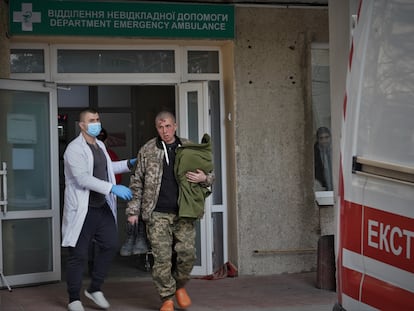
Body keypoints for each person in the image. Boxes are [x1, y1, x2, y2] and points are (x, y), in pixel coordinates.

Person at [127, 111, 214, 311]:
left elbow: (210, 173)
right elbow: (136, 182)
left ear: (175, 126)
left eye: (167, 126)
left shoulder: (189, 147)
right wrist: (133, 211)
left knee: (187, 254)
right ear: (156, 128)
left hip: (184, 212)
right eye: (160, 127)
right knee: (161, 258)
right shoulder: (148, 150)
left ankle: (180, 286)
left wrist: (205, 179)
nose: (164, 131)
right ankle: (167, 298)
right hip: (157, 213)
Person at [62, 108, 136, 311]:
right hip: (83, 209)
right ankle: (74, 298)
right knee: (78, 254)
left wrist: (129, 164)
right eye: (91, 120)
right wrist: (112, 188)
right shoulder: (74, 149)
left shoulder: (100, 145)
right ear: (81, 125)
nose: (96, 123)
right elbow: (83, 178)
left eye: (97, 119)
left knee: (110, 245)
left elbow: (107, 169)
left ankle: (94, 288)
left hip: (101, 206)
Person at [314, 126, 333, 191]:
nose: (324, 141)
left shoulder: (336, 150)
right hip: (322, 189)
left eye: (326, 137)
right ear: (317, 139)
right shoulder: (314, 153)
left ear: (330, 137)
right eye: (321, 138)